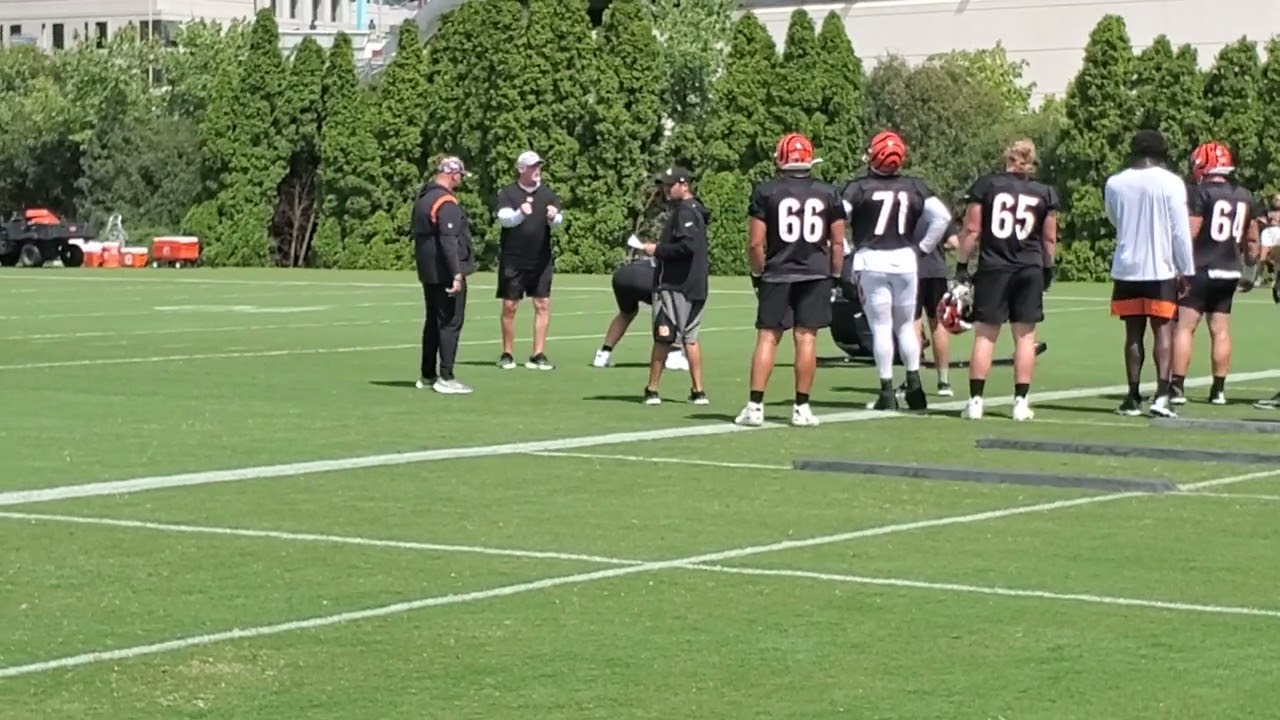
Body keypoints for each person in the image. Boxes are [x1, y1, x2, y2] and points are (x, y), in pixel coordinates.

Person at [734, 133, 846, 428]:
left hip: (778, 272)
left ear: (780, 159)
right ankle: (802, 408)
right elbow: (837, 243)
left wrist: (758, 273)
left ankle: (755, 406)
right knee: (806, 338)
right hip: (815, 272)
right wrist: (835, 275)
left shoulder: (766, 191)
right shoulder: (828, 192)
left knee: (768, 337)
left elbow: (756, 244)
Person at [841, 130, 951, 412]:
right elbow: (943, 217)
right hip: (905, 260)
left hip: (872, 260)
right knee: (905, 326)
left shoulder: (858, 187)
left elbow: (836, 220)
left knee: (880, 327)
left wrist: (845, 251)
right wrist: (922, 248)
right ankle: (915, 388)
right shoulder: (915, 186)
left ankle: (887, 390)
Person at [954, 139, 1059, 421]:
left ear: (1007, 158)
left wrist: (962, 265)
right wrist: (1048, 267)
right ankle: (1020, 403)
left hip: (994, 266)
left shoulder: (987, 185)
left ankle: (975, 402)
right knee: (1025, 337)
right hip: (1029, 267)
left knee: (986, 335)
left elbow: (972, 229)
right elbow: (1049, 237)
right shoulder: (1044, 192)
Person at [1104, 129, 1196, 417]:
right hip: (1161, 267)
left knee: (1133, 333)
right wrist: (1186, 268)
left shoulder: (1115, 183)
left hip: (1127, 267)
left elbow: (1113, 218)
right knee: (1163, 330)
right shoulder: (1171, 183)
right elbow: (1180, 230)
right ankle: (1161, 394)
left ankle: (1132, 395)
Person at [1168, 142, 1261, 406]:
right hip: (1229, 269)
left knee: (1184, 328)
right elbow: (1252, 239)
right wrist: (1250, 268)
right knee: (1220, 330)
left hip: (1199, 268)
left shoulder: (1200, 193)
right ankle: (1219, 390)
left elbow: (1190, 232)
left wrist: (1178, 266)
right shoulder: (1244, 195)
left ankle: (1177, 387)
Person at [634, 167, 710, 405]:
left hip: (676, 285)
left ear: (684, 185)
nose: (666, 189)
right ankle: (698, 391)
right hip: (697, 284)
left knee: (663, 337)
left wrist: (656, 250)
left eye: (671, 185)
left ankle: (652, 389)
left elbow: (687, 247)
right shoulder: (697, 209)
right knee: (691, 338)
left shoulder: (685, 212)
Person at [494, 150, 563, 370]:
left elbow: (558, 221)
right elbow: (505, 220)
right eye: (532, 167)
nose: (537, 170)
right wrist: (520, 213)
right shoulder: (508, 193)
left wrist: (554, 217)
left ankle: (538, 353)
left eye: (538, 166)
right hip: (513, 259)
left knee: (542, 303)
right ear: (521, 169)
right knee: (510, 306)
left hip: (540, 259)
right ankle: (507, 353)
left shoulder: (547, 194)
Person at [412, 156, 474, 394]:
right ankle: (446, 377)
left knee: (432, 324)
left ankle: (427, 374)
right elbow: (448, 241)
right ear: (453, 174)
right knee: (449, 323)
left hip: (427, 270)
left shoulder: (423, 198)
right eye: (459, 176)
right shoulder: (445, 202)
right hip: (444, 271)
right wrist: (457, 273)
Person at [592, 252, 688, 371]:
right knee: (670, 310)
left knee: (626, 314)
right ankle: (674, 354)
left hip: (622, 275)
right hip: (645, 278)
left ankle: (603, 354)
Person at [913, 217, 959, 396]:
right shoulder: (938, 213)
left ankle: (913, 378)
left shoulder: (908, 209)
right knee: (938, 326)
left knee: (913, 325)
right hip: (936, 272)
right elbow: (954, 243)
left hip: (911, 272)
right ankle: (943, 381)